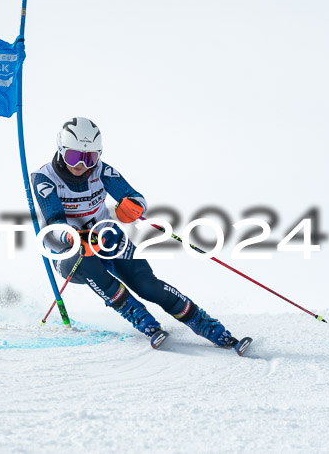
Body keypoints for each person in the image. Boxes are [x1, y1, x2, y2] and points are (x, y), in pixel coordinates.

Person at [31, 117, 240, 349]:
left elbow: (135, 197)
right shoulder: (44, 178)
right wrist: (73, 237)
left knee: (147, 285)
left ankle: (207, 325)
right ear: (60, 151)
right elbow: (54, 223)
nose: (81, 164)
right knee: (87, 264)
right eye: (73, 156)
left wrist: (133, 207)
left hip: (106, 238)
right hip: (68, 251)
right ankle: (141, 319)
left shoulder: (101, 170)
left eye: (89, 157)